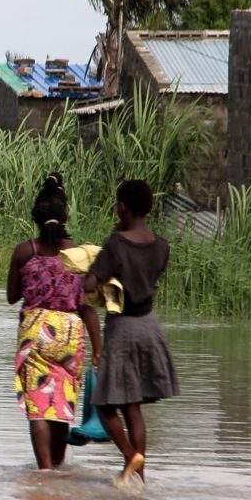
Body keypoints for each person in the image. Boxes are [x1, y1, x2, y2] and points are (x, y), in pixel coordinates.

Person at [85, 179, 179, 484]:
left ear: (121, 207)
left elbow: (89, 284)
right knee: (132, 404)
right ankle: (139, 477)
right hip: (150, 326)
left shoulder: (116, 244)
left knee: (103, 404)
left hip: (123, 328)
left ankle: (129, 455)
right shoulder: (162, 245)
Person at [7, 173, 102, 469]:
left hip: (36, 330)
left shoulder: (25, 252)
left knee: (38, 407)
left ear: (36, 217)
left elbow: (12, 296)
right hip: (70, 332)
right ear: (65, 216)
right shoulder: (78, 254)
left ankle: (45, 472)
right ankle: (58, 470)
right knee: (61, 404)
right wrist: (98, 349)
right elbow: (87, 307)